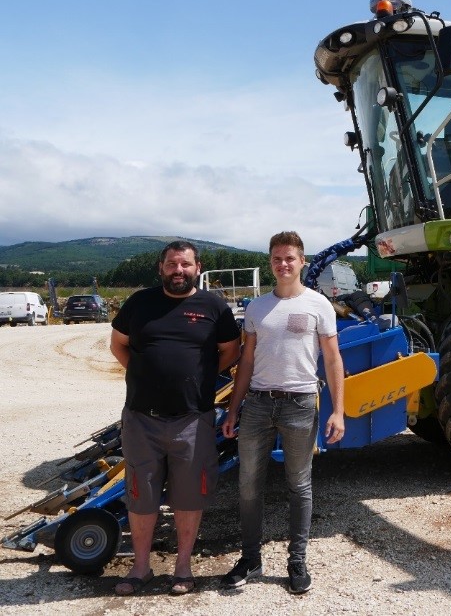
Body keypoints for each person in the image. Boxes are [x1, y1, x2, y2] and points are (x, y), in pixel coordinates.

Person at [109, 240, 242, 596]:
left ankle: (183, 566)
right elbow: (118, 343)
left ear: (198, 268)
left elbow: (231, 350)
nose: (178, 271)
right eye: (171, 264)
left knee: (189, 495)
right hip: (141, 418)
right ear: (161, 268)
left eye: (185, 265)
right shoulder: (140, 303)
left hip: (192, 419)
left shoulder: (214, 306)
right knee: (141, 495)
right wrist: (141, 373)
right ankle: (141, 567)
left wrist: (199, 378)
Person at [221, 231, 345, 595]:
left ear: (302, 261)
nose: (283, 264)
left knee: (299, 484)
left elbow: (334, 359)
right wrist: (233, 409)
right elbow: (246, 362)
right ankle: (250, 558)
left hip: (301, 404)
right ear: (270, 262)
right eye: (277, 258)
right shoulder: (257, 308)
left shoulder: (319, 305)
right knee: (248, 484)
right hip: (258, 404)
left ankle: (297, 559)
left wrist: (339, 411)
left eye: (289, 258)